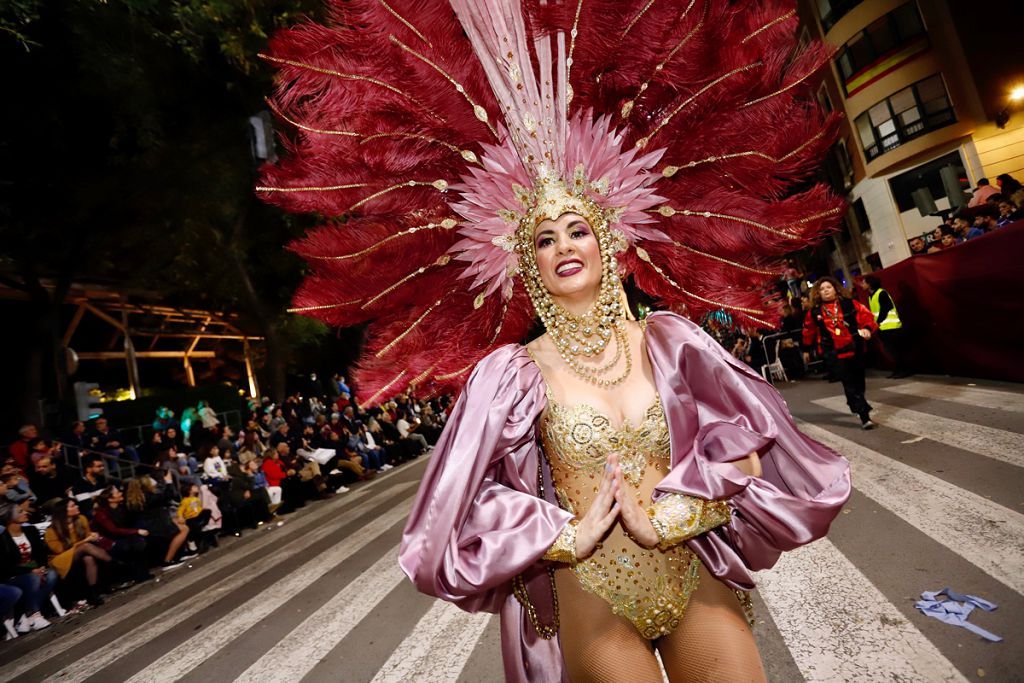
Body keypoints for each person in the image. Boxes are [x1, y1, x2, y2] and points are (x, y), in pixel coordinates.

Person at [261, 3, 854, 680]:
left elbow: (750, 457)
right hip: (592, 595)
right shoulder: (513, 375)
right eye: (543, 238)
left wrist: (673, 517)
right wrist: (561, 534)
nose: (563, 244)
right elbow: (447, 521)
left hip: (690, 569)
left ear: (605, 241)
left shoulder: (672, 343)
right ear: (527, 263)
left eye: (576, 228)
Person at [803, 277, 880, 428]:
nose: (825, 290)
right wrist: (806, 350)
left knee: (858, 381)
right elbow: (808, 331)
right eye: (822, 289)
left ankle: (854, 402)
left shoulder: (849, 304)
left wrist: (867, 329)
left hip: (855, 347)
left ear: (836, 289)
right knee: (848, 381)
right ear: (818, 293)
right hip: (833, 352)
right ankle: (865, 416)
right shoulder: (815, 312)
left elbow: (867, 317)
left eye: (828, 287)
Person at [0, 501, 57, 632]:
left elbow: (41, 553)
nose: (25, 512)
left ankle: (26, 614)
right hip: (14, 576)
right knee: (33, 578)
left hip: (35, 569)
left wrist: (42, 566)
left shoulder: (30, 530)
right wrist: (31, 569)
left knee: (52, 574)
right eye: (20, 512)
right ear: (10, 517)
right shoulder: (2, 540)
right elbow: (6, 567)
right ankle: (34, 614)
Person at [43, 498, 111, 606]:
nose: (77, 507)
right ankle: (113, 561)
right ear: (64, 511)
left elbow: (87, 536)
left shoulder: (81, 519)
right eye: (73, 506)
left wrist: (93, 536)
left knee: (88, 558)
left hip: (81, 551)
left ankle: (93, 594)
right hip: (60, 559)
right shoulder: (51, 530)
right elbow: (59, 550)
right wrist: (85, 541)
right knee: (85, 546)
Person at [91, 486, 152, 584]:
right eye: (117, 492)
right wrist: (136, 531)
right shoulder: (101, 514)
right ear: (110, 499)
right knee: (133, 544)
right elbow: (113, 530)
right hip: (107, 542)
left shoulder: (121, 508)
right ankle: (136, 574)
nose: (121, 493)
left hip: (120, 538)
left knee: (139, 541)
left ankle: (142, 574)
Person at [864, 276, 910, 379]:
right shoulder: (871, 296)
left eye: (864, 282)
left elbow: (886, 308)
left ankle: (904, 370)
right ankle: (898, 370)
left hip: (892, 327)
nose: (862, 284)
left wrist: (878, 322)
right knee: (891, 351)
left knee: (896, 350)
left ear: (869, 284)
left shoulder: (881, 293)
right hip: (882, 328)